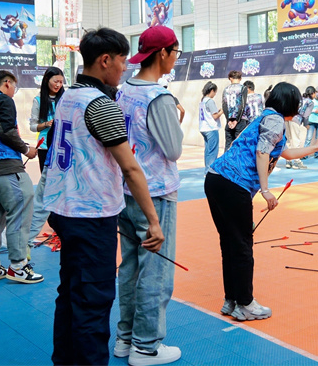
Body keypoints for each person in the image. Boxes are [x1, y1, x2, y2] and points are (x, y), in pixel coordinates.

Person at [41, 27, 164, 366]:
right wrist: (153, 220)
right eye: (123, 60)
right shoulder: (100, 105)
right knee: (93, 302)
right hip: (90, 216)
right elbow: (131, 169)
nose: (125, 68)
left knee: (71, 294)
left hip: (65, 210)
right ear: (105, 60)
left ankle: (64, 360)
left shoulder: (68, 96)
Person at [204, 83, 318, 321]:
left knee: (230, 244)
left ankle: (232, 299)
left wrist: (314, 146)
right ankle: (245, 303)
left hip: (216, 179)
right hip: (233, 183)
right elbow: (262, 153)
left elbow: (285, 153)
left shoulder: (266, 117)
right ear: (289, 103)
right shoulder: (276, 120)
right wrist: (266, 190)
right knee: (242, 246)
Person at [115, 26, 184, 366]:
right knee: (155, 271)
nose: (175, 58)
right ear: (163, 53)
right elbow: (173, 150)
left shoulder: (123, 90)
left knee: (130, 267)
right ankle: (145, 346)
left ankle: (125, 338)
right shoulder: (159, 97)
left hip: (125, 191)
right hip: (154, 193)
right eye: (175, 52)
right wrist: (177, 118)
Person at [0, 71, 42, 284]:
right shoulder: (3, 100)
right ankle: (18, 266)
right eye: (14, 86)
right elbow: (6, 131)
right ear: (7, 83)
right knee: (20, 209)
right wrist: (26, 149)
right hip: (5, 166)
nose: (14, 90)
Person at [29, 67, 65, 171]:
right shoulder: (38, 100)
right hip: (44, 147)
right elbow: (32, 126)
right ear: (46, 80)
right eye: (55, 81)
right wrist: (46, 124)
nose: (58, 85)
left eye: (61, 82)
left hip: (62, 146)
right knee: (46, 177)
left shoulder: (65, 98)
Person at [198, 82, 223, 173]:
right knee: (213, 151)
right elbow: (215, 116)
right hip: (211, 128)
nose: (215, 94)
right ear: (212, 90)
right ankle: (210, 171)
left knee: (208, 151)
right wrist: (222, 111)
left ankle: (207, 170)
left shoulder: (203, 101)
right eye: (215, 92)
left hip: (203, 128)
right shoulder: (210, 101)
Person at [221, 71, 248, 151]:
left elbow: (224, 105)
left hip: (229, 120)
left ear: (230, 78)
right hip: (240, 120)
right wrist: (237, 120)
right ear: (240, 78)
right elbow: (242, 105)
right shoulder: (243, 88)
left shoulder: (226, 89)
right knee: (239, 145)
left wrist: (228, 120)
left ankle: (226, 159)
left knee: (228, 145)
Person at [303, 86, 318, 159]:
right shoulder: (311, 100)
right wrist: (313, 111)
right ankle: (304, 154)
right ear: (315, 92)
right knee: (308, 138)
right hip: (311, 121)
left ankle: (317, 154)